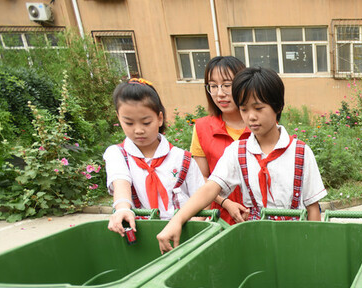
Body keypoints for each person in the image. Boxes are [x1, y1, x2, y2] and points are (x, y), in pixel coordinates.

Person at [157, 66, 326, 253]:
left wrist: (313, 248)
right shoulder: (238, 151)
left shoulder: (301, 153)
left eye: (258, 108)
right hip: (256, 242)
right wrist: (177, 220)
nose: (251, 117)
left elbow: (312, 207)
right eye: (244, 109)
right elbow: (210, 188)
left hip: (296, 241)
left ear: (278, 106)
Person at [106, 78, 205, 236]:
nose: (138, 130)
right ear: (118, 117)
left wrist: (191, 231)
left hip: (184, 233)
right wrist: (123, 209)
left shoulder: (181, 158)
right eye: (129, 123)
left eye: (146, 122)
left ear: (159, 118)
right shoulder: (117, 154)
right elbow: (121, 183)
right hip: (142, 236)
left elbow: (202, 199)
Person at [190, 56, 250, 225]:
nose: (220, 93)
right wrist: (225, 202)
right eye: (213, 86)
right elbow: (202, 177)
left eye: (227, 85)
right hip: (220, 218)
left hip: (258, 216)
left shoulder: (259, 125)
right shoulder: (202, 128)